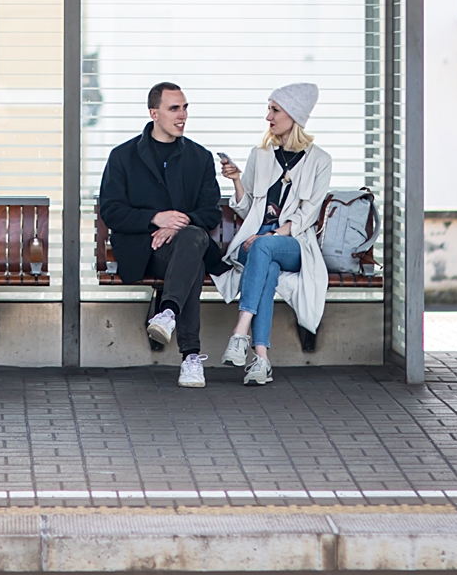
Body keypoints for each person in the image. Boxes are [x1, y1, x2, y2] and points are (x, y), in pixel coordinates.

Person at [98, 82, 224, 388]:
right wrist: (155, 218)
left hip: (186, 247)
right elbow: (111, 210)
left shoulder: (200, 157)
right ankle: (190, 358)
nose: (182, 115)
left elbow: (211, 211)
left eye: (185, 108)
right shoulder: (123, 156)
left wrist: (177, 224)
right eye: (174, 109)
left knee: (192, 242)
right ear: (154, 113)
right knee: (192, 258)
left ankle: (168, 313)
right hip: (145, 251)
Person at [216, 83, 332, 386]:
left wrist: (274, 235)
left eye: (274, 110)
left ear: (294, 115)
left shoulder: (320, 160)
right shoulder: (261, 154)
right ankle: (261, 359)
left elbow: (307, 214)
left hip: (293, 243)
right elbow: (246, 209)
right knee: (264, 263)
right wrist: (237, 180)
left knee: (264, 251)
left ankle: (240, 331)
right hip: (255, 241)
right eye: (269, 109)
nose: (268, 116)